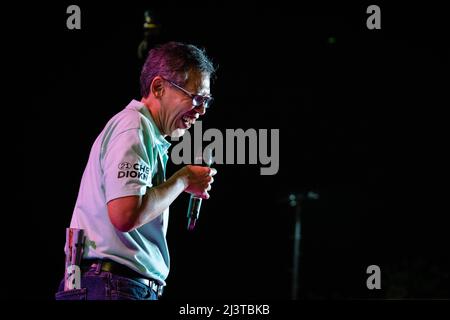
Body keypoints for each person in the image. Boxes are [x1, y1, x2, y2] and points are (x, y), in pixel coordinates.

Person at [55, 41, 217, 300]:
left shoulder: (145, 134)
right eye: (196, 98)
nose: (201, 111)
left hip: (106, 284)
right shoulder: (134, 127)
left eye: (206, 101)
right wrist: (183, 178)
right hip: (112, 286)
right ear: (158, 87)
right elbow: (125, 214)